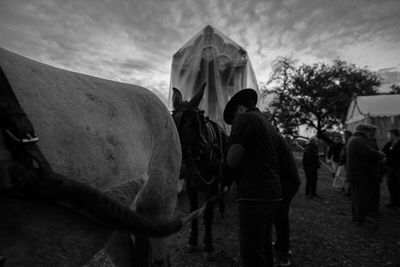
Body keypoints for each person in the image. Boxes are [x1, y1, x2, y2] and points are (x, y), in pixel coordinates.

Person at [222, 89, 282, 267]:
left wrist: (224, 182)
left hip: (254, 194)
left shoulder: (245, 119)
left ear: (239, 109)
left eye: (233, 117)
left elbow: (233, 156)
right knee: (263, 245)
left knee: (251, 252)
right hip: (273, 193)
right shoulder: (267, 123)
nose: (234, 123)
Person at [346, 123, 385, 226]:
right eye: (368, 131)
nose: (369, 133)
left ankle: (359, 217)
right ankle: (358, 219)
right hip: (360, 174)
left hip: (356, 173)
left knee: (358, 197)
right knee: (359, 197)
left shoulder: (354, 139)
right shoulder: (359, 140)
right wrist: (380, 155)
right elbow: (368, 153)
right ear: (364, 131)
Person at [273, 136, 300, 266]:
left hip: (286, 183)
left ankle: (283, 252)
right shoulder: (276, 137)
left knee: (280, 217)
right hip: (288, 181)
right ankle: (281, 245)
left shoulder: (271, 139)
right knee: (280, 216)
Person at [382, 128, 400, 210]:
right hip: (390, 168)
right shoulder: (389, 143)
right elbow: (384, 152)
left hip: (398, 168)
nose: (387, 136)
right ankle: (393, 202)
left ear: (393, 134)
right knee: (391, 185)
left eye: (388, 134)